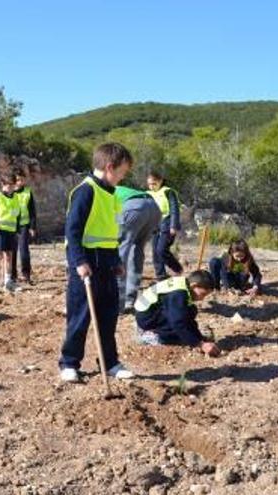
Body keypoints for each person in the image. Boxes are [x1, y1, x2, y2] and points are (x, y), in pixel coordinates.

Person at [59, 142, 135, 383]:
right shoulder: (85, 191)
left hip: (107, 263)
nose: (122, 178)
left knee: (108, 316)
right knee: (80, 316)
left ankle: (110, 362)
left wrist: (116, 260)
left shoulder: (111, 194)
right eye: (122, 172)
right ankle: (69, 363)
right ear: (110, 167)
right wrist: (79, 261)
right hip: (86, 261)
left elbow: (109, 232)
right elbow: (72, 232)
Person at [134, 270, 220, 356]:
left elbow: (187, 318)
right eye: (203, 294)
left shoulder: (184, 285)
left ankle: (159, 330)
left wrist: (199, 338)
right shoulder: (178, 294)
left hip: (152, 311)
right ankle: (152, 336)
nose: (202, 299)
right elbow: (178, 323)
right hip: (146, 317)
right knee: (178, 330)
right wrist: (200, 344)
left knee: (191, 310)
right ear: (194, 285)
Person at [115, 183, 162, 313]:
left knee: (120, 253)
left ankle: (118, 303)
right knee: (137, 250)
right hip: (154, 208)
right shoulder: (114, 187)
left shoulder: (96, 191)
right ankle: (130, 300)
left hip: (134, 207)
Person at [147, 170, 183, 280]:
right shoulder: (148, 194)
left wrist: (174, 226)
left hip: (167, 224)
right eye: (149, 184)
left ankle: (178, 269)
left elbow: (174, 209)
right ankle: (161, 275)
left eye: (154, 183)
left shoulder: (168, 192)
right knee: (155, 252)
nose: (151, 186)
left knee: (161, 250)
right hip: (154, 225)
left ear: (160, 181)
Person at [11, 169, 37, 285]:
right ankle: (12, 275)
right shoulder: (9, 192)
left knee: (24, 250)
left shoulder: (28, 192)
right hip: (11, 226)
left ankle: (26, 275)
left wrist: (32, 227)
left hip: (24, 226)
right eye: (17, 180)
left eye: (22, 179)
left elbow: (32, 211)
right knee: (12, 251)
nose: (20, 182)